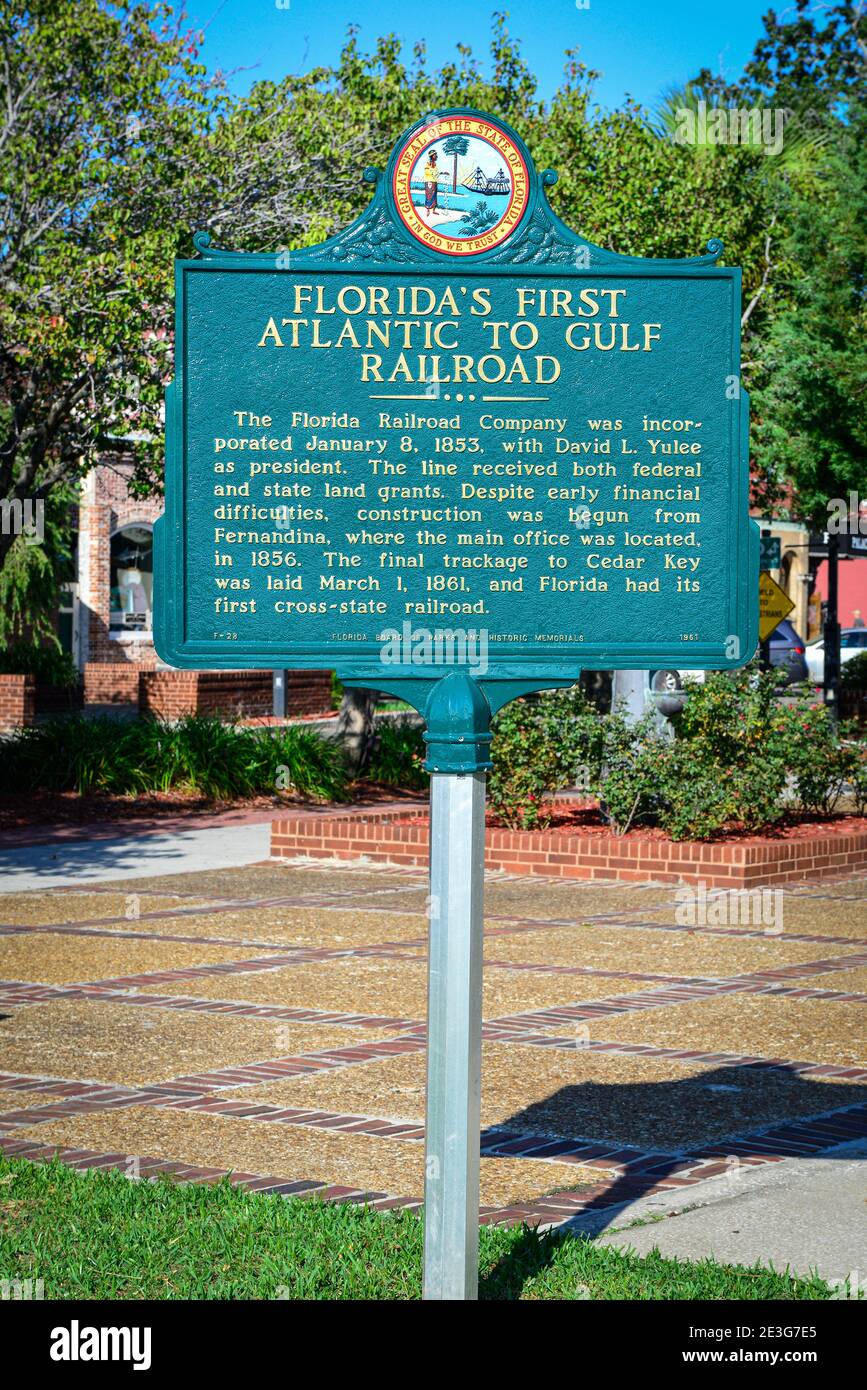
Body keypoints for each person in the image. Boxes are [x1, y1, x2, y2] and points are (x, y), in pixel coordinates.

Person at [422, 148, 439, 220]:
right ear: (432, 156)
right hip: (429, 181)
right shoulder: (427, 164)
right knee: (429, 196)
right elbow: (427, 172)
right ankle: (428, 210)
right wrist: (433, 172)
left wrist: (440, 173)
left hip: (434, 181)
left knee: (434, 196)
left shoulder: (435, 164)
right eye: (435, 155)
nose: (436, 156)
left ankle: (434, 210)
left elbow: (437, 173)